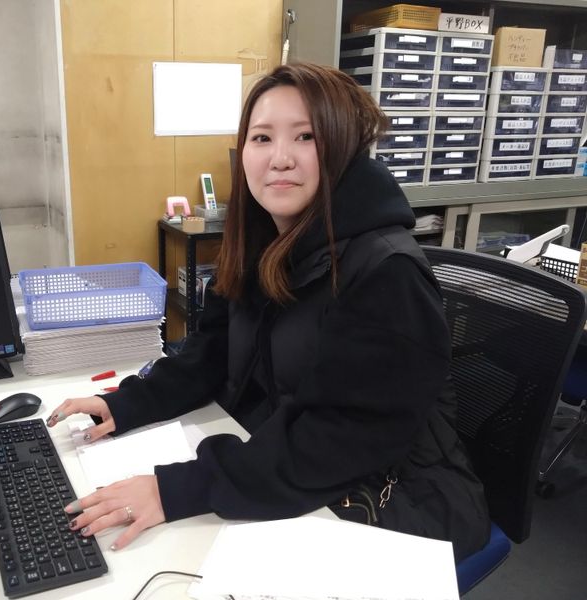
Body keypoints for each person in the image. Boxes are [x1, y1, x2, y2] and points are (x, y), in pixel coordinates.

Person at [47, 62, 491, 561]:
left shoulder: (387, 274)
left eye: (306, 137)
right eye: (262, 138)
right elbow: (212, 352)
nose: (280, 158)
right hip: (282, 457)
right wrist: (129, 404)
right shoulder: (265, 239)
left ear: (343, 149)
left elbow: (340, 436)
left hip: (397, 497)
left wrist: (174, 490)